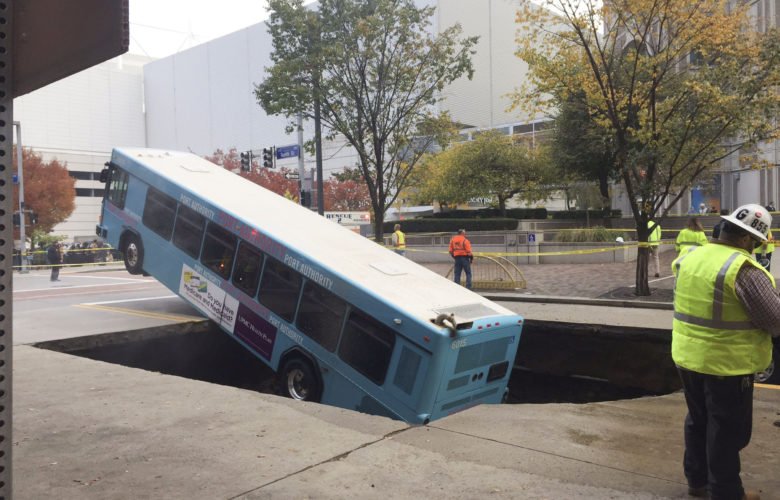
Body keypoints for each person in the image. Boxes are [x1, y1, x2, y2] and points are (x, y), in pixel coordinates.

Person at [671, 203, 780, 500]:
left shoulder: (690, 258)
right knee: (727, 429)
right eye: (756, 242)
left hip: (687, 357)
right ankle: (726, 492)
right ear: (746, 238)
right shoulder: (743, 269)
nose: (756, 248)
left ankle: (697, 482)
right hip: (727, 364)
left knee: (698, 420)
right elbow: (775, 321)